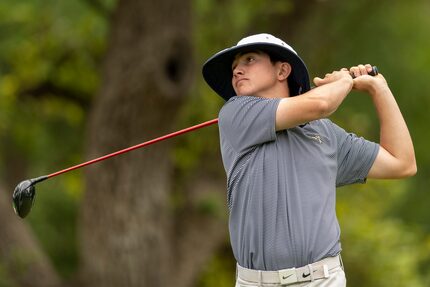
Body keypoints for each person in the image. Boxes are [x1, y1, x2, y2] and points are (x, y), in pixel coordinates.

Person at [202, 33, 416, 287]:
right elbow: (322, 103)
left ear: (282, 70)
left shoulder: (325, 133)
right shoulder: (236, 113)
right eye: (234, 66)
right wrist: (346, 80)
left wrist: (380, 89)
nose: (237, 70)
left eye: (249, 60)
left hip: (322, 280)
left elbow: (402, 163)